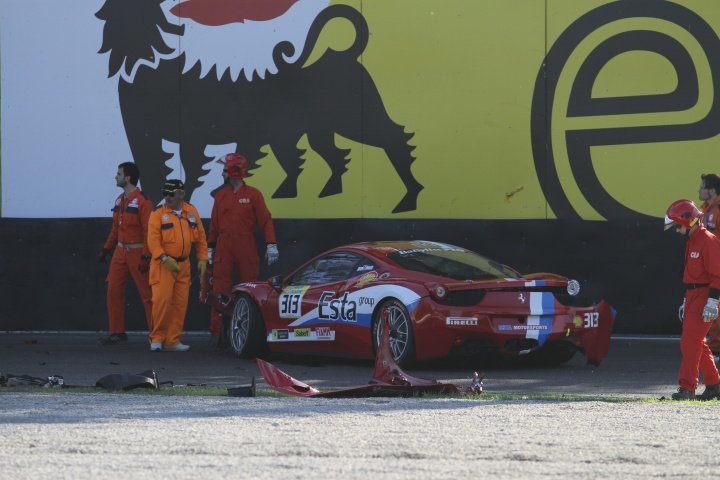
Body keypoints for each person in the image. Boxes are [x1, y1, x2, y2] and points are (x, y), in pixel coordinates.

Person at [206, 153, 279, 342]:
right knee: (220, 287)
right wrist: (211, 247)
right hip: (224, 245)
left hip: (245, 244)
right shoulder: (221, 195)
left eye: (224, 169)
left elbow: (265, 221)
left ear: (233, 171)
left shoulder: (254, 194)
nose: (222, 173)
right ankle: (217, 332)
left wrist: (271, 244)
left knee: (249, 287)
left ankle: (249, 331)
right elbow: (214, 224)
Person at [664, 199, 720, 400]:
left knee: (689, 342)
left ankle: (687, 388)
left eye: (678, 226)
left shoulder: (707, 240)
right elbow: (693, 276)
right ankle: (715, 385)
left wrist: (713, 302)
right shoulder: (693, 240)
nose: (677, 231)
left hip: (705, 296)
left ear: (688, 222)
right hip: (694, 295)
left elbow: (718, 275)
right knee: (697, 343)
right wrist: (687, 300)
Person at [147, 179, 208, 352]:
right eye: (165, 194)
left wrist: (202, 258)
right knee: (162, 303)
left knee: (180, 304)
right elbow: (153, 241)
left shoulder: (191, 211)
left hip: (184, 265)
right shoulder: (157, 213)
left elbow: (201, 237)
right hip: (163, 265)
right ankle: (157, 339)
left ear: (181, 194)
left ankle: (173, 340)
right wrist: (164, 258)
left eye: (170, 194)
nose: (166, 198)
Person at [97, 162, 153, 345]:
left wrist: (146, 255)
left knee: (147, 294)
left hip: (137, 252)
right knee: (113, 290)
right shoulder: (120, 200)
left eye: (119, 174)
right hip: (120, 252)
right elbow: (115, 228)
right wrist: (107, 248)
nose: (116, 176)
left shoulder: (143, 201)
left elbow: (148, 232)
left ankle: (157, 333)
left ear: (128, 178)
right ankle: (117, 332)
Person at [698, 174, 720, 361]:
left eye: (702, 186)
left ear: (711, 190)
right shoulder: (706, 209)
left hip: (717, 267)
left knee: (715, 307)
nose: (698, 189)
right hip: (711, 266)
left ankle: (715, 350)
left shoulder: (717, 210)